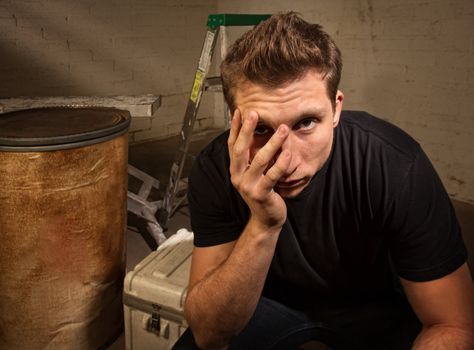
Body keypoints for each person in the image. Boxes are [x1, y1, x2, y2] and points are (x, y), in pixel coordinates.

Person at [173, 12, 474, 350]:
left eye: (306, 123)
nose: (285, 161)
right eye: (261, 129)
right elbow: (209, 334)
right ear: (234, 120)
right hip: (265, 300)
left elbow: (452, 324)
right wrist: (263, 224)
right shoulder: (216, 167)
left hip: (373, 305)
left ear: (336, 109)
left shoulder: (394, 164)